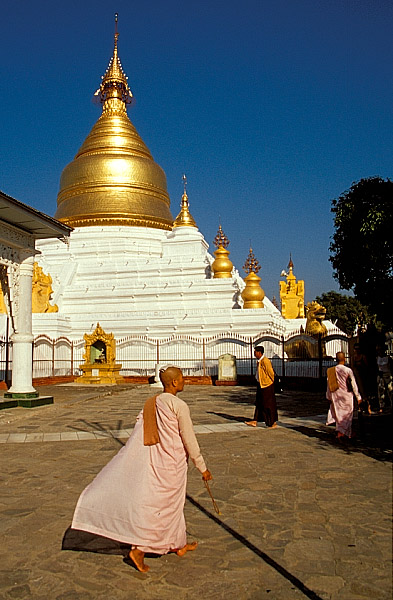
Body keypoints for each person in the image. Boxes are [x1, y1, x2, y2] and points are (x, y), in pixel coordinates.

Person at [71, 366, 212, 573]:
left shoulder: (151, 403)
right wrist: (202, 466)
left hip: (158, 461)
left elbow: (140, 428)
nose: (184, 381)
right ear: (173, 382)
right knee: (164, 506)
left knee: (174, 504)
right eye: (181, 378)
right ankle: (140, 549)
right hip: (171, 463)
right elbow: (188, 438)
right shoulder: (179, 406)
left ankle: (177, 543)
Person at [326, 352, 361, 440]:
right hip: (346, 395)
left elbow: (329, 384)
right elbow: (353, 384)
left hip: (335, 394)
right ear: (344, 359)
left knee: (339, 414)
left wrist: (328, 396)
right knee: (347, 414)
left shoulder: (331, 370)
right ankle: (342, 432)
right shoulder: (348, 370)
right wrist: (358, 396)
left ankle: (345, 432)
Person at [245, 345, 278, 428]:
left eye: (255, 352)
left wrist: (270, 383)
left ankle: (272, 421)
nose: (254, 354)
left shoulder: (265, 361)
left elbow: (271, 373)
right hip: (261, 384)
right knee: (259, 403)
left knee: (268, 404)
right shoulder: (259, 361)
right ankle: (255, 420)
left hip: (267, 385)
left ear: (259, 353)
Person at [351, 344, 372, 414]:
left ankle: (367, 405)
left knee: (364, 391)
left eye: (358, 349)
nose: (356, 350)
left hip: (363, 375)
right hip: (357, 376)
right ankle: (360, 406)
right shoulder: (353, 357)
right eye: (355, 349)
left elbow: (367, 366)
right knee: (358, 390)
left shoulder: (363, 356)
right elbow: (352, 367)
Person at [376, 346, 393, 412]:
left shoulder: (388, 358)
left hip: (387, 374)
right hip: (380, 375)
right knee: (380, 390)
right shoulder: (377, 358)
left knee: (390, 390)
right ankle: (381, 405)